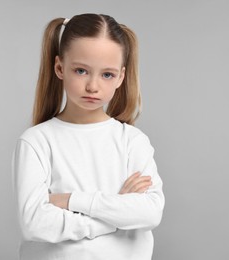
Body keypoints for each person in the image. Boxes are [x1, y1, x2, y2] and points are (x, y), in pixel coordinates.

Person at [11, 13, 165, 260]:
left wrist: (72, 201)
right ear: (60, 67)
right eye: (81, 70)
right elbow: (35, 224)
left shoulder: (133, 142)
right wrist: (115, 214)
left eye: (107, 75)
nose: (93, 86)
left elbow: (149, 213)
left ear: (121, 77)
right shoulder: (37, 141)